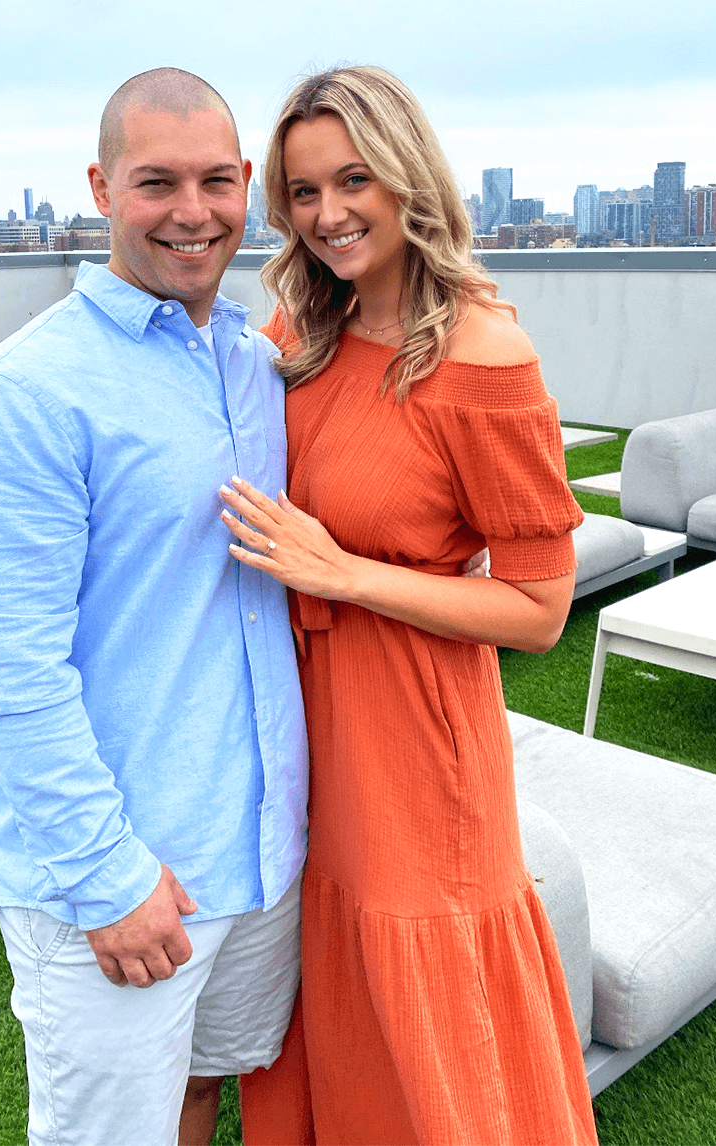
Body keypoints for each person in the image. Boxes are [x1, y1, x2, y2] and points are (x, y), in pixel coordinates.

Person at [0, 69, 308, 1146]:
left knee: (197, 1093)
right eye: (158, 181)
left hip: (260, 855)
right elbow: (10, 674)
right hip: (125, 872)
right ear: (100, 185)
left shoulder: (251, 361)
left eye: (219, 181)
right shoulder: (24, 395)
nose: (194, 211)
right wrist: (106, 878)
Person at [225, 67, 600, 1144]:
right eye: (303, 193)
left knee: (421, 1004)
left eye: (355, 179)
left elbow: (538, 609)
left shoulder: (487, 358)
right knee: (321, 981)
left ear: (407, 178)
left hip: (414, 745)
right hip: (302, 721)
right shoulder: (305, 334)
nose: (330, 213)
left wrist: (345, 573)